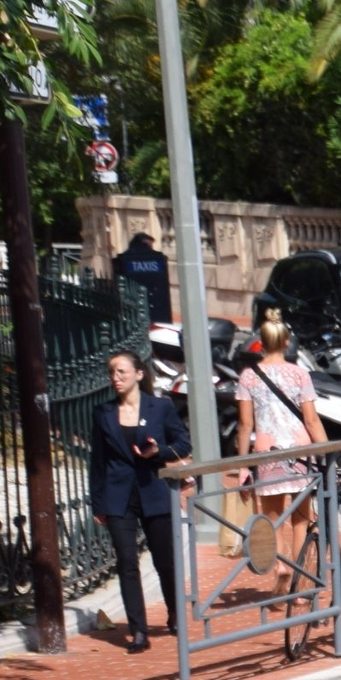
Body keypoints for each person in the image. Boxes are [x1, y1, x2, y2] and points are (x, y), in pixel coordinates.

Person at [90, 348, 191, 652]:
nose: (115, 377)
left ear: (138, 373)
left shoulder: (160, 407)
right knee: (126, 563)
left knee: (164, 561)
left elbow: (182, 444)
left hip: (154, 492)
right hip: (118, 497)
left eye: (121, 371)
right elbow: (97, 461)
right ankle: (138, 631)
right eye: (112, 372)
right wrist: (98, 503)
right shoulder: (103, 412)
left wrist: (156, 452)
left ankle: (175, 613)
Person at [235, 319, 326, 585]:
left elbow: (245, 425)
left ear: (260, 342)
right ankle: (299, 580)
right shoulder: (300, 375)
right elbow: (311, 420)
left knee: (273, 518)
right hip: (299, 450)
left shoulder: (248, 376)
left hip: (267, 451)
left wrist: (243, 465)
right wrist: (327, 452)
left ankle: (280, 564)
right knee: (301, 518)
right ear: (287, 342)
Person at [111, 232, 173, 325]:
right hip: (157, 309)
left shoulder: (123, 259)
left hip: (132, 308)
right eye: (150, 245)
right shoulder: (158, 259)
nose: (151, 249)